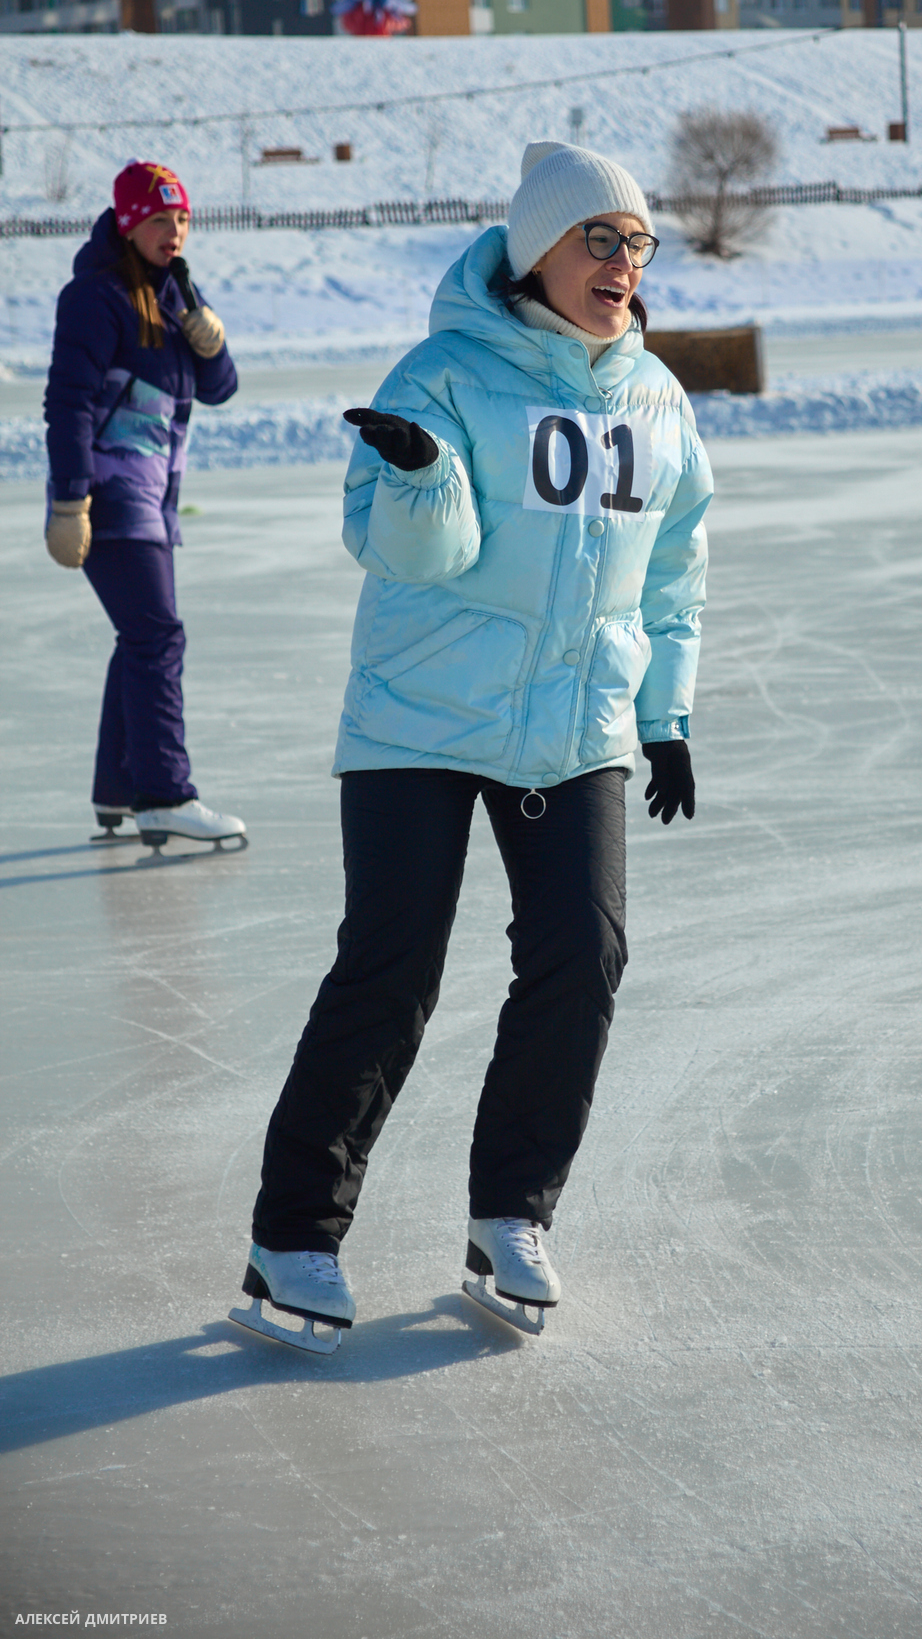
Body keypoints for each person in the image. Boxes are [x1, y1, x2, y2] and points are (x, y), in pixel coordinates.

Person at [235, 141, 714, 1349]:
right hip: (421, 721)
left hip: (577, 725)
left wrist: (665, 719)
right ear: (534, 251)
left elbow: (675, 570)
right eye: (596, 239)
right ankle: (292, 1236)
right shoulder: (440, 374)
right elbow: (412, 557)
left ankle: (511, 1215)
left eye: (635, 242)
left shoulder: (654, 398)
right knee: (390, 972)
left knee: (581, 959)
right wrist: (416, 479)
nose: (620, 263)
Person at [43, 160, 246, 847]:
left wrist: (211, 346)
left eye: (183, 219)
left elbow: (220, 389)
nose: (176, 232)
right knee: (157, 635)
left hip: (152, 499)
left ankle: (119, 788)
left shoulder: (175, 293)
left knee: (140, 637)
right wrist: (70, 501)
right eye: (161, 220)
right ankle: (164, 792)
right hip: (108, 495)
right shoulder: (96, 298)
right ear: (129, 224)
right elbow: (67, 402)